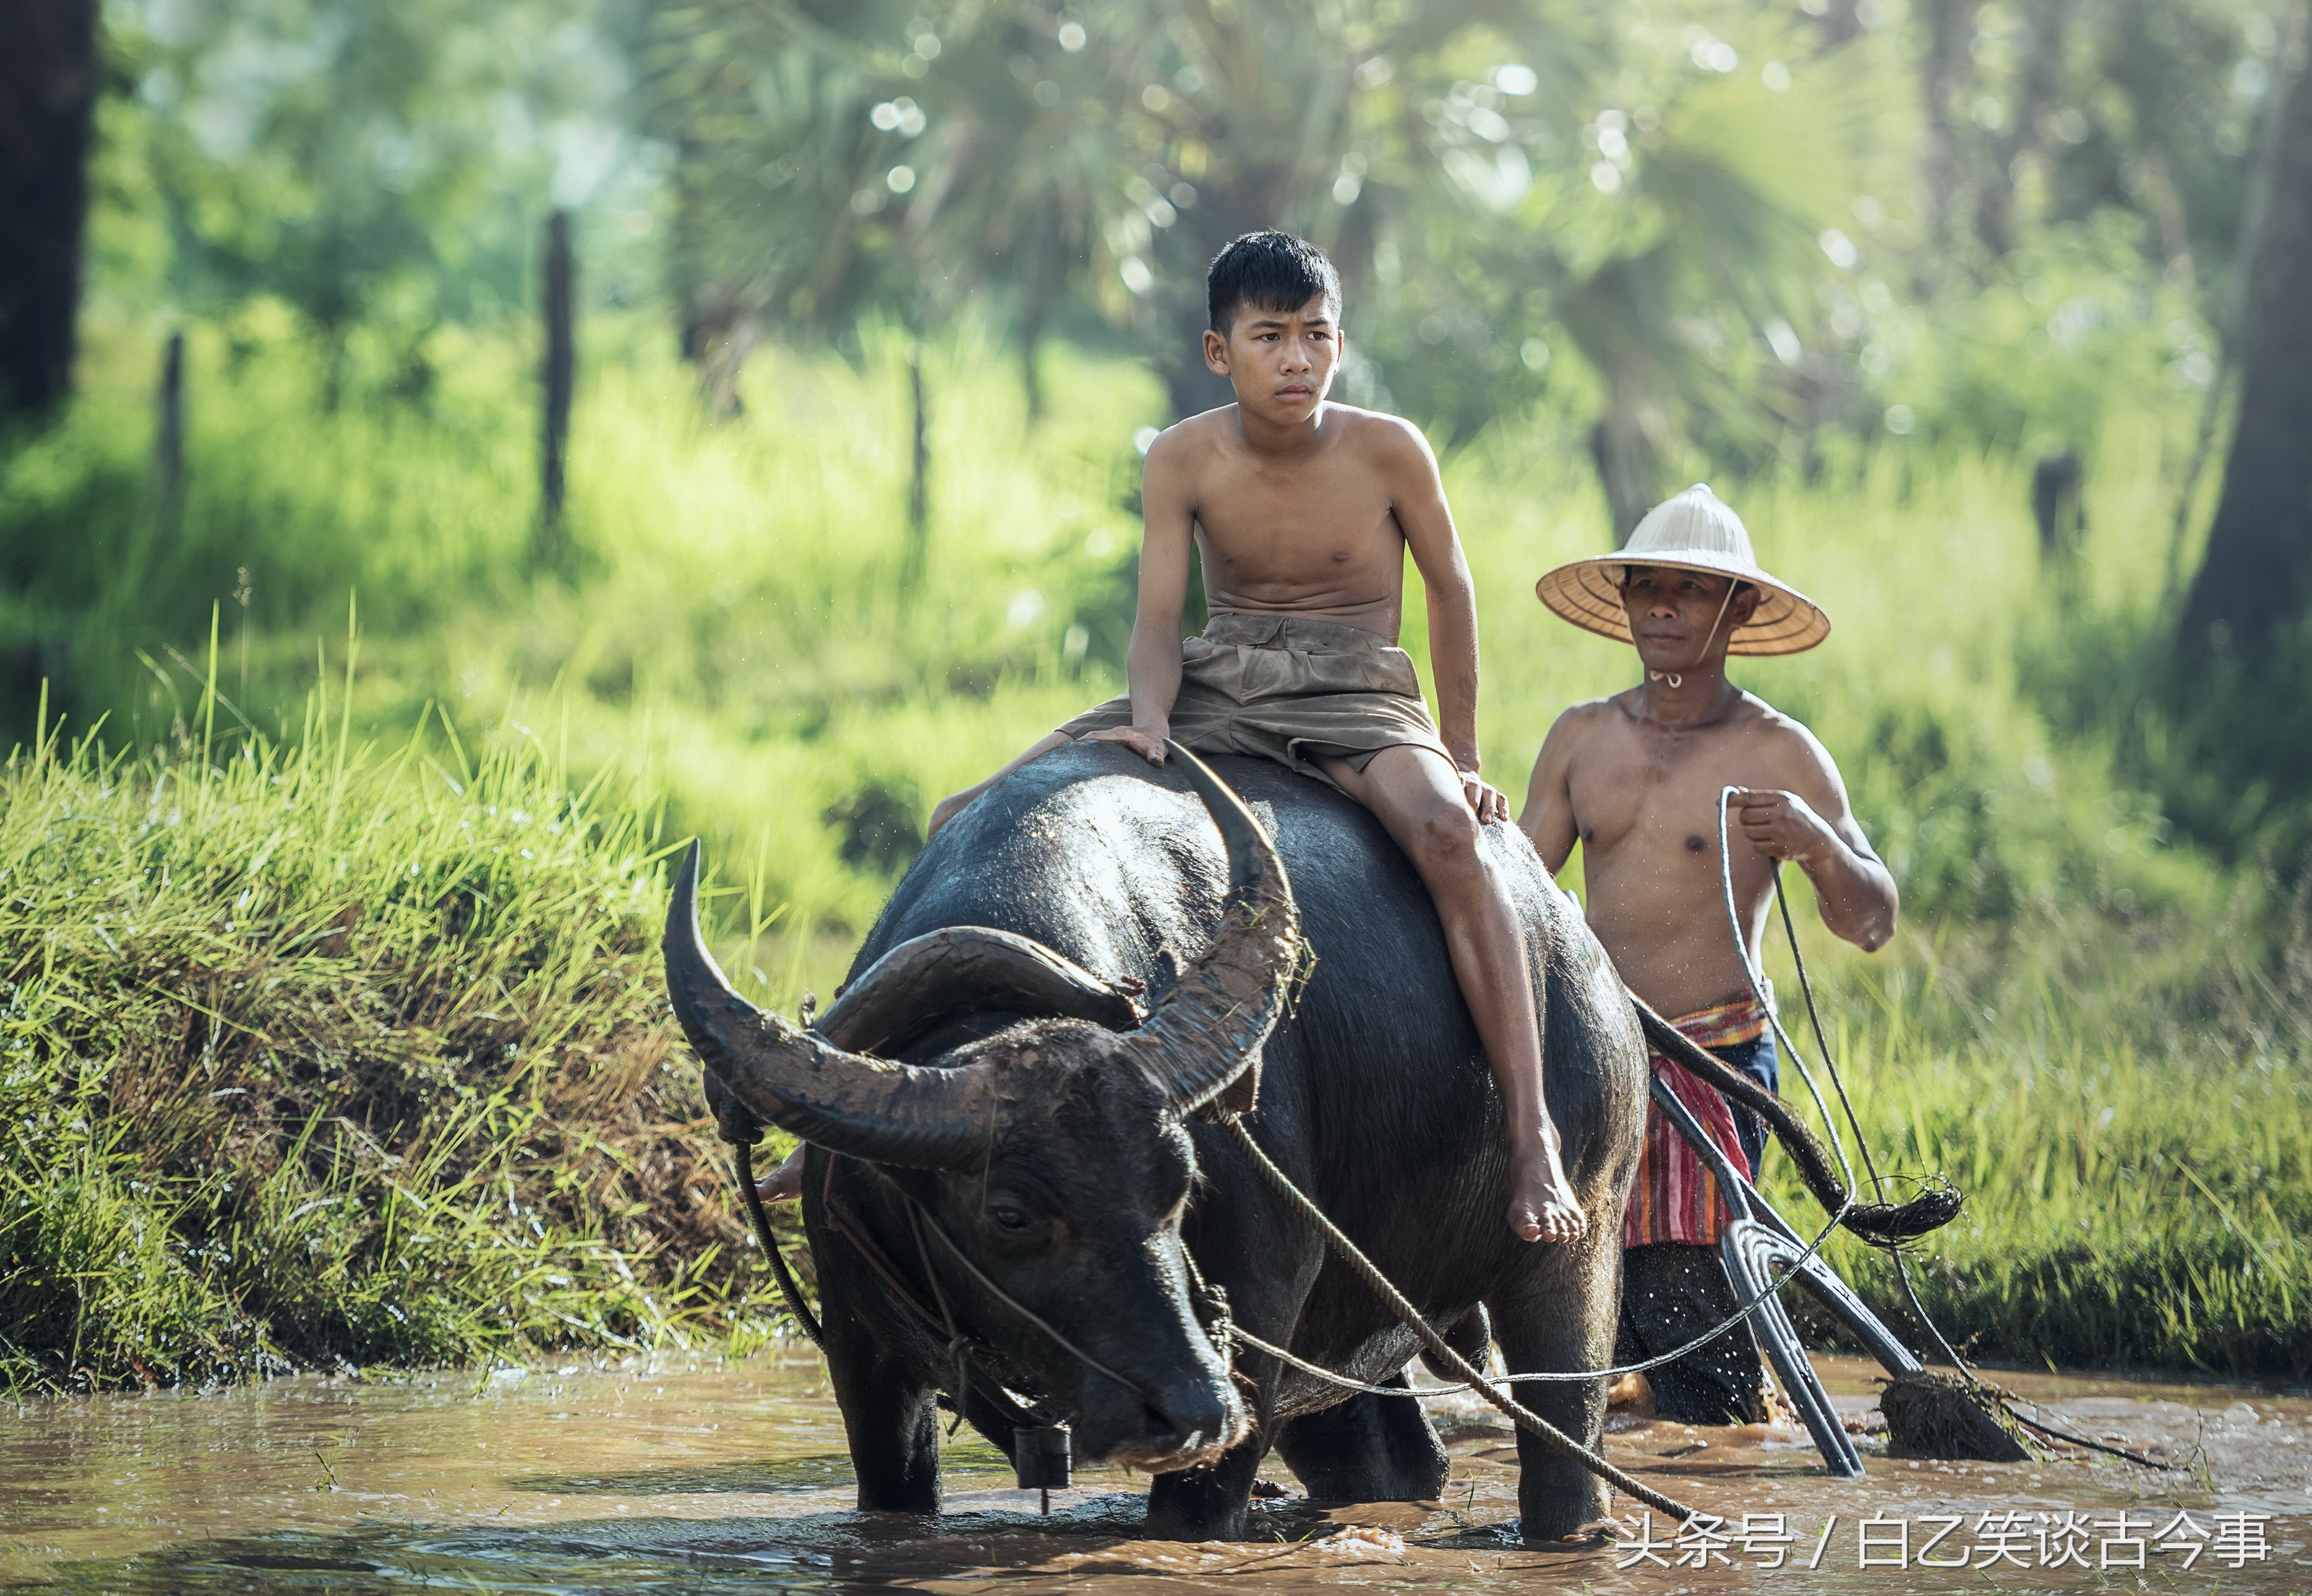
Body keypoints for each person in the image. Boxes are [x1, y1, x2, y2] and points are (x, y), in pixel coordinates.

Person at [757, 230, 1584, 1244]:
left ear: (1340, 344)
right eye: (1270, 336)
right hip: (1221, 678)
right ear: (1217, 350)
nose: (1297, 358)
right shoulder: (1184, 455)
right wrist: (1147, 720)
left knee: (1455, 842)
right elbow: (1159, 619)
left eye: (1317, 336)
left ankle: (1533, 1130)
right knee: (956, 810)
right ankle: (842, 1112)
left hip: (1354, 690)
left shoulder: (1388, 448)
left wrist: (1462, 754)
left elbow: (1452, 593)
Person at [1517, 483, 1898, 1423]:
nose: (1661, 606)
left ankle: (1720, 1480)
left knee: (1686, 1313)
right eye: (1647, 585)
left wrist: (1813, 840)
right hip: (1595, 1059)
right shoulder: (1582, 737)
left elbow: (1874, 919)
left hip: (1713, 1062)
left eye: (1688, 589)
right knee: (1579, 1323)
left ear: (1742, 608)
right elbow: (1518, 894)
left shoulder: (1780, 751)